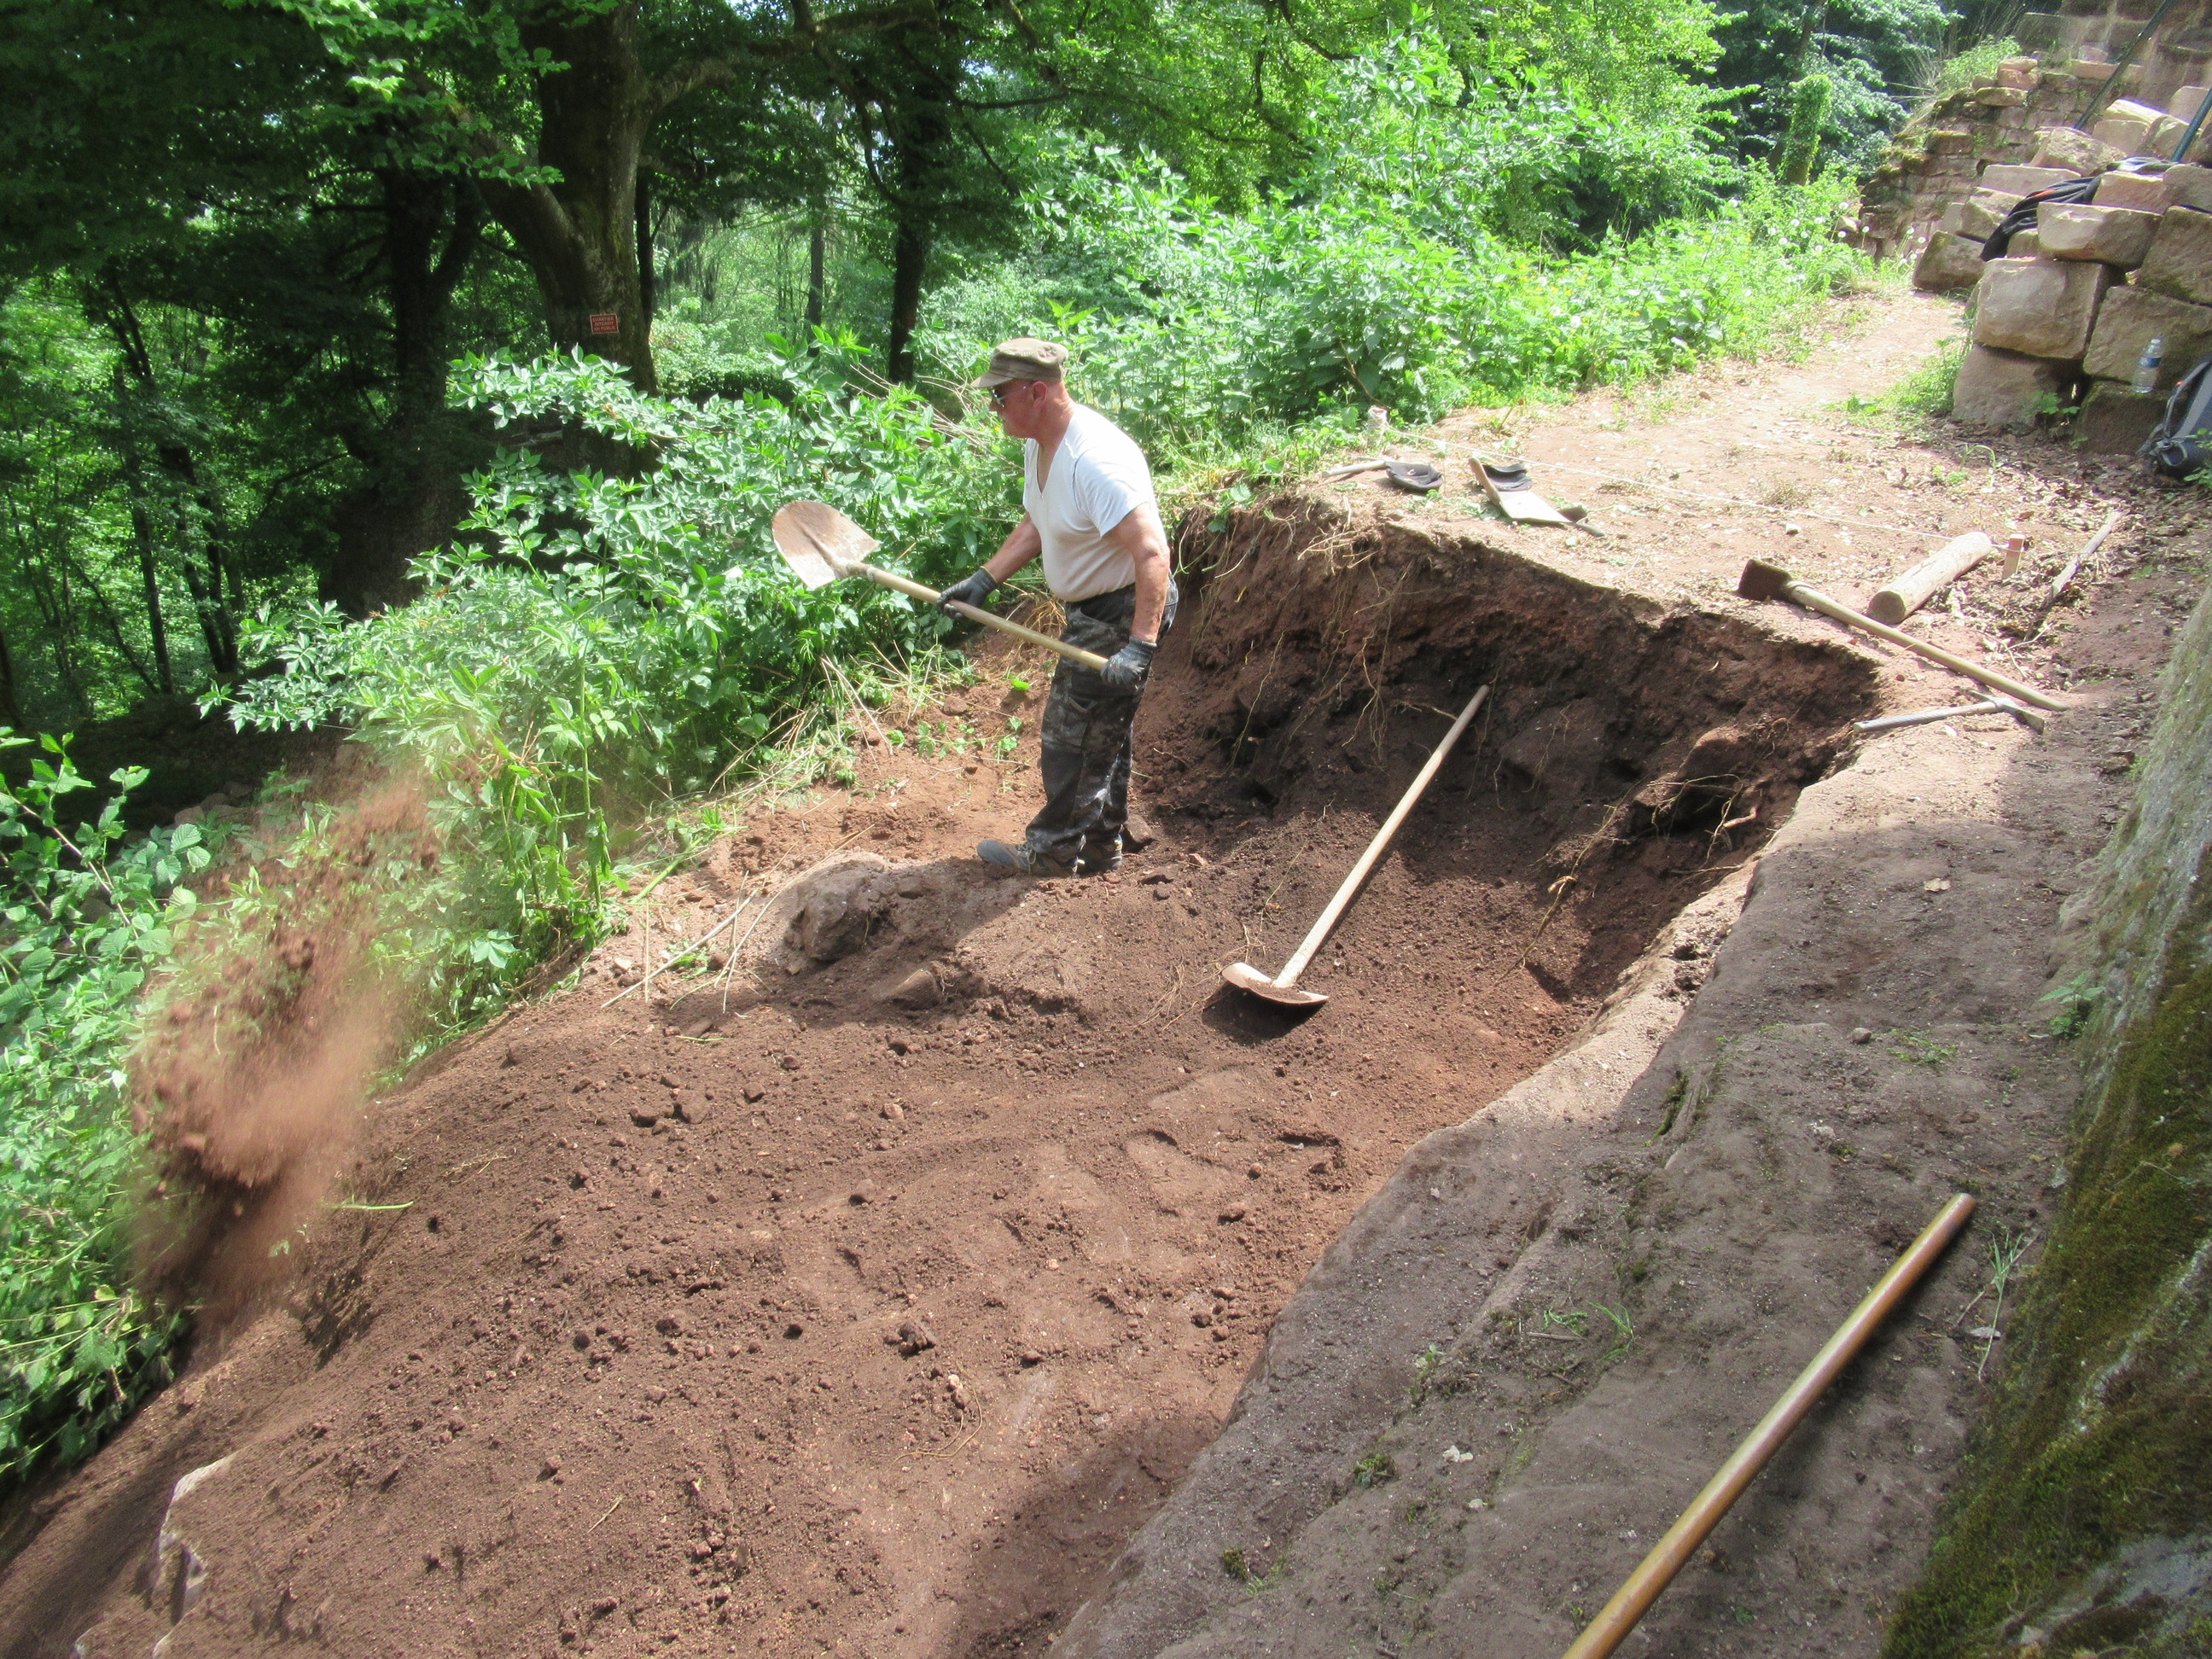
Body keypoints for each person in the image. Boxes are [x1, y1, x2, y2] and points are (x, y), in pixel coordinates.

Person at [939, 338, 1176, 878]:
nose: (993, 407)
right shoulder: (1040, 443)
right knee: (1105, 732)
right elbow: (1038, 521)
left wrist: (1139, 647)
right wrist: (985, 579)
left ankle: (1052, 853)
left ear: (1037, 393)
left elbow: (1152, 553)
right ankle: (1101, 846)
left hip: (1120, 612)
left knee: (1071, 737)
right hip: (1094, 610)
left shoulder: (1096, 461)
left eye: (999, 397)